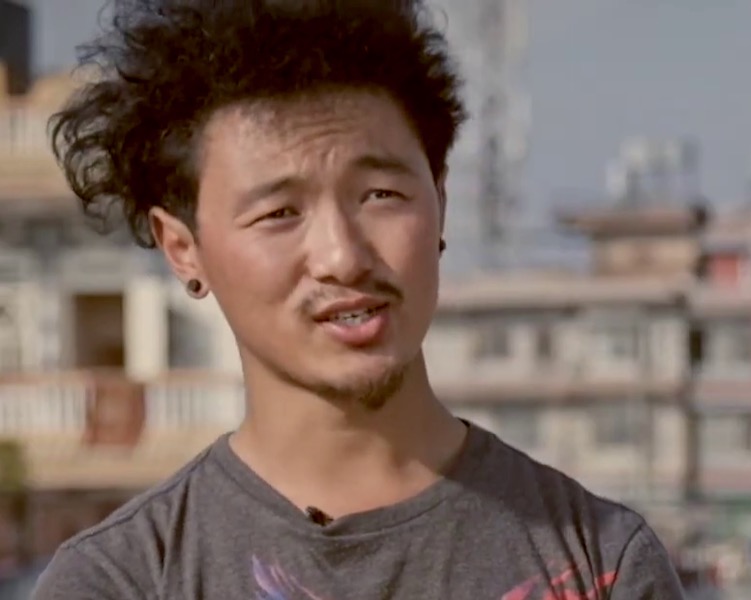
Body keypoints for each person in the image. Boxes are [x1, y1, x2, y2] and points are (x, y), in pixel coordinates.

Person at [32, 1, 686, 598]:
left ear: (440, 199)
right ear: (183, 248)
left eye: (380, 195)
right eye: (280, 212)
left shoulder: (601, 562)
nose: (343, 255)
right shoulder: (121, 581)